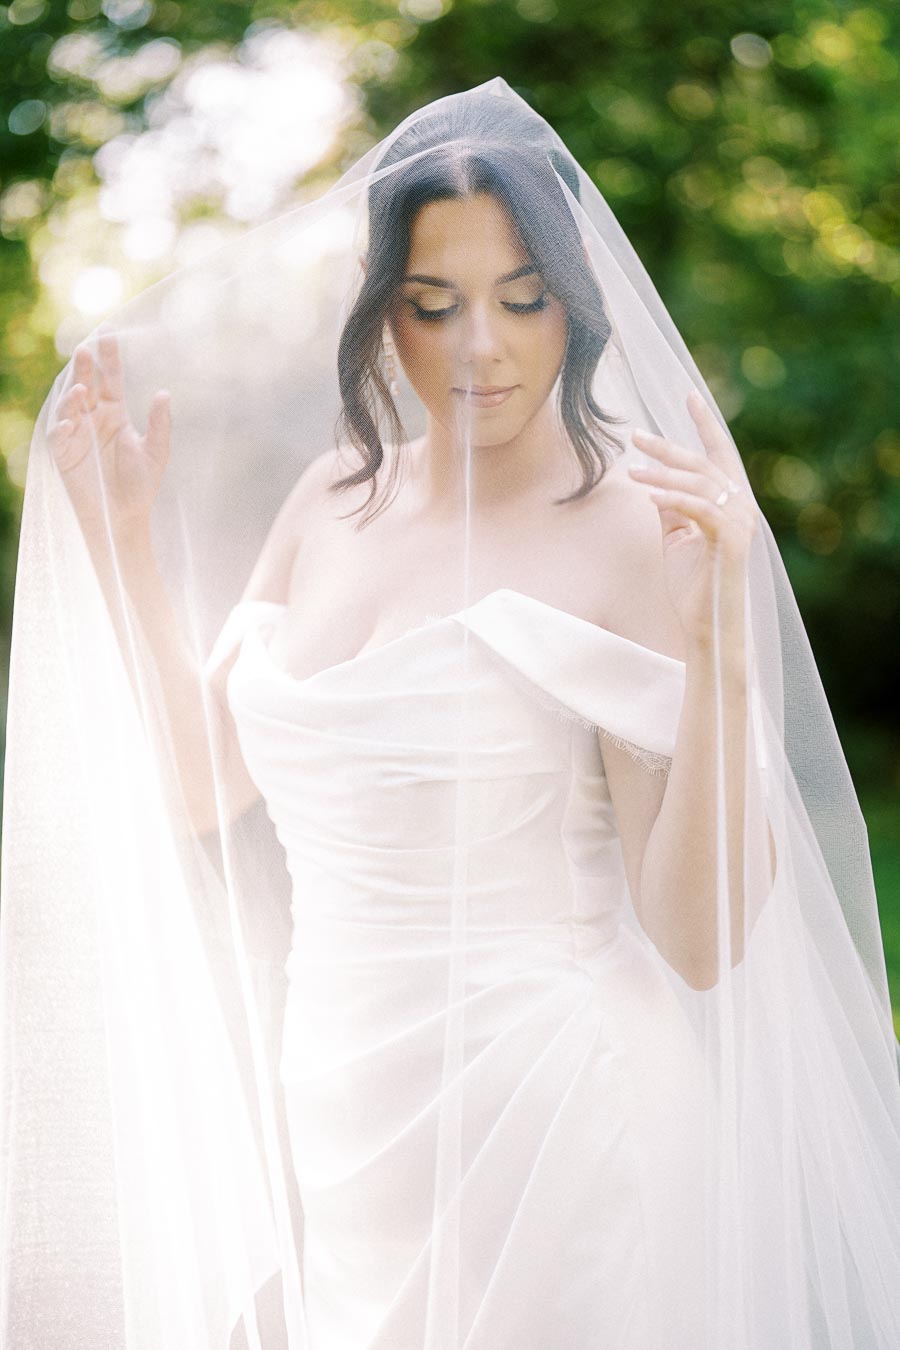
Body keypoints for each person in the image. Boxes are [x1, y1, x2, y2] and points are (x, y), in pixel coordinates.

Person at [2, 76, 899, 1350]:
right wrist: (125, 547)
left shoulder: (634, 525)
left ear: (576, 300)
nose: (481, 347)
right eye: (434, 305)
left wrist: (718, 655)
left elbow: (700, 941)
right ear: (381, 309)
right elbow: (207, 785)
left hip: (558, 1113)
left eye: (522, 302)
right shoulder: (333, 498)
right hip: (349, 1113)